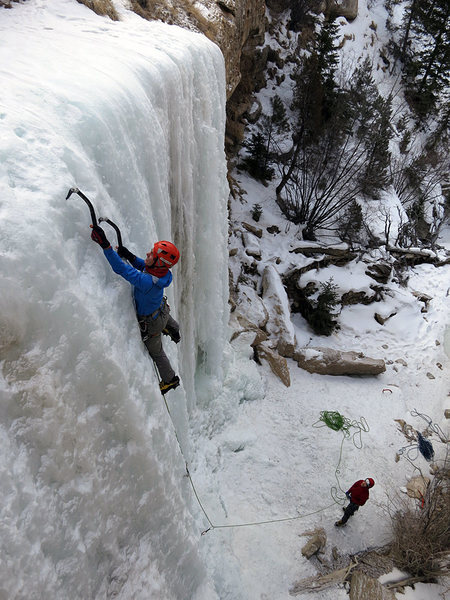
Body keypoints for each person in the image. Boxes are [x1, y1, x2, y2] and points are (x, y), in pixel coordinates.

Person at [90, 225, 181, 395]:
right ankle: (174, 330)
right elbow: (144, 266)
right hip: (161, 310)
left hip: (152, 322)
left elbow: (122, 269)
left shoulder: (147, 282)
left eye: (152, 254)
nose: (147, 254)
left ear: (159, 262)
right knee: (164, 315)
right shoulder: (163, 273)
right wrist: (130, 256)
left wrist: (106, 246)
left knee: (157, 352)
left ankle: (170, 380)